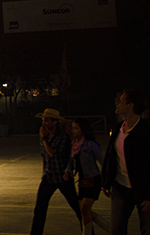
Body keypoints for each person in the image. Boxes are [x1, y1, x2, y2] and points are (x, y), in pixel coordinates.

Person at [101, 88, 150, 235]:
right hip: (120, 188)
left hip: (142, 189)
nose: (117, 103)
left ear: (131, 105)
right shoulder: (117, 129)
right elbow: (110, 156)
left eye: (121, 100)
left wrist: (148, 195)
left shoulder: (145, 131)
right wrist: (106, 180)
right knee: (117, 229)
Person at [31, 108, 82, 235]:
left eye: (47, 120)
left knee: (77, 207)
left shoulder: (63, 137)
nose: (44, 123)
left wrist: (44, 138)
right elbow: (44, 156)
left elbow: (52, 153)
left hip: (62, 177)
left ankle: (88, 231)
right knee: (40, 208)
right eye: (43, 120)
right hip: (49, 177)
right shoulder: (44, 136)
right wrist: (43, 174)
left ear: (55, 122)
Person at [65, 117, 106, 235]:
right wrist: (68, 171)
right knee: (84, 211)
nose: (73, 131)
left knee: (85, 209)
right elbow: (71, 162)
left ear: (83, 130)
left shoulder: (90, 144)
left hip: (93, 180)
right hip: (82, 182)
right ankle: (111, 229)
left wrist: (106, 180)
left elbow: (102, 162)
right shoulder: (73, 145)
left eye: (75, 128)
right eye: (72, 128)